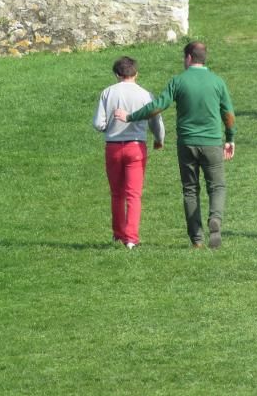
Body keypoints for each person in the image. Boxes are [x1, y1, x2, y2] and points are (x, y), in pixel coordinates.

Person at [114, 41, 236, 250]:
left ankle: (196, 240)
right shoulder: (217, 82)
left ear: (189, 57)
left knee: (190, 189)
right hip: (212, 142)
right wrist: (230, 138)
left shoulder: (178, 81)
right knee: (217, 186)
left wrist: (131, 116)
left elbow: (157, 106)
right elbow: (228, 114)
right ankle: (215, 219)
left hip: (187, 143)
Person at [92, 57, 165, 249]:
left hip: (113, 147)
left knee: (117, 194)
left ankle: (118, 234)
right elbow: (156, 122)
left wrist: (108, 126)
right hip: (136, 146)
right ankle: (131, 238)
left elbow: (98, 123)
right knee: (134, 194)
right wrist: (159, 140)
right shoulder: (145, 94)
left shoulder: (108, 92)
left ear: (117, 74)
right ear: (136, 73)